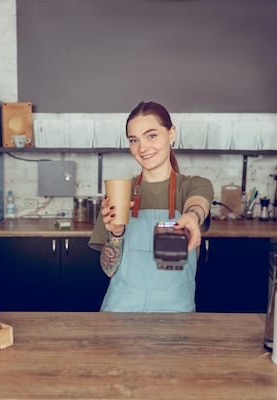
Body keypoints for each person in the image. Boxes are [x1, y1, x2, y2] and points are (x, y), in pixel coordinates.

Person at [88, 101, 214, 312]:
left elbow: (198, 202)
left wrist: (192, 216)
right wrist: (116, 234)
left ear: (171, 134)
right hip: (119, 313)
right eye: (133, 140)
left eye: (152, 136)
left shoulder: (192, 186)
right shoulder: (119, 194)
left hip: (176, 316)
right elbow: (108, 269)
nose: (142, 147)